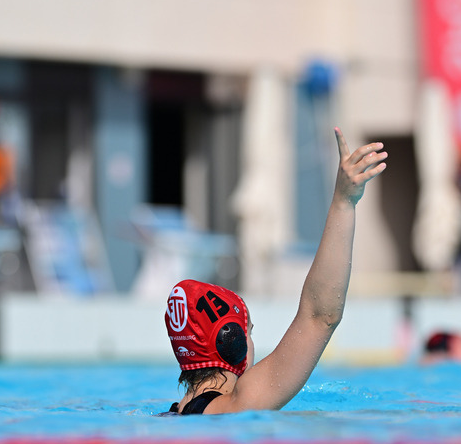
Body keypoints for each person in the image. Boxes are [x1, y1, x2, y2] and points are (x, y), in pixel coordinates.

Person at [162, 128, 388, 415]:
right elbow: (320, 317)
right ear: (231, 342)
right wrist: (343, 202)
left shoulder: (174, 414)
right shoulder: (233, 408)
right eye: (248, 333)